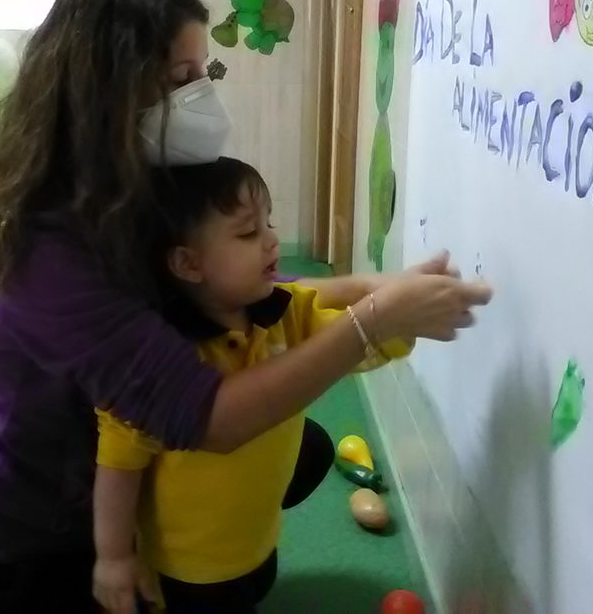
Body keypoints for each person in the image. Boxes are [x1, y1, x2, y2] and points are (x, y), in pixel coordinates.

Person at [0, 0, 492, 612]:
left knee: (297, 446)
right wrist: (369, 322)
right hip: (28, 527)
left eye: (203, 72)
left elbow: (233, 279)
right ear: (107, 91)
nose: (203, 95)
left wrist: (367, 286)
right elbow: (206, 417)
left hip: (115, 479)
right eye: (182, 79)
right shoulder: (40, 243)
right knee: (248, 428)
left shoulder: (132, 174)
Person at [92, 158, 412, 613]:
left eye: (269, 224)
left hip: (256, 546)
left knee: (251, 590)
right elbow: (119, 471)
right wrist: (113, 558)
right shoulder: (160, 365)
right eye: (248, 233)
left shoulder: (286, 312)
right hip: (185, 572)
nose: (272, 241)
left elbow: (355, 343)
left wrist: (402, 320)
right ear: (187, 262)